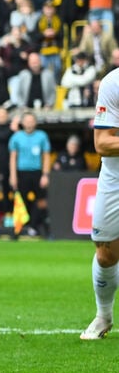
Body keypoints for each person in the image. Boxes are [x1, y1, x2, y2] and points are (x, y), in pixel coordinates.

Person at [82, 66, 119, 339]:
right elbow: (103, 143)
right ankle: (103, 315)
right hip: (116, 175)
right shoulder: (113, 83)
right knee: (106, 253)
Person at [8, 110, 52, 238]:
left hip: (37, 172)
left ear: (35, 122)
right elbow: (12, 157)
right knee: (21, 201)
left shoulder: (42, 136)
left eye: (31, 121)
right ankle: (19, 230)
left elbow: (46, 156)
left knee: (41, 202)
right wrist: (13, 176)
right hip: (22, 172)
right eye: (27, 121)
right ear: (22, 122)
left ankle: (43, 229)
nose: (29, 123)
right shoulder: (16, 137)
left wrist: (45, 174)